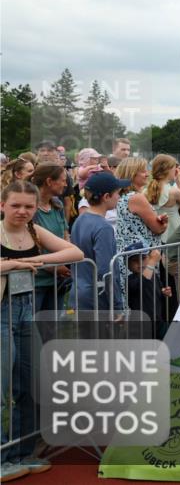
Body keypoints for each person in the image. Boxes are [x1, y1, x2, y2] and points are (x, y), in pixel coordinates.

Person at [1, 180, 83, 478]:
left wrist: (36, 259)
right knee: (2, 387)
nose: (22, 211)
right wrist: (9, 265)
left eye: (28, 206)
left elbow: (74, 252)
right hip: (1, 312)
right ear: (2, 205)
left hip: (27, 309)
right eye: (15, 205)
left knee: (30, 382)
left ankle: (22, 451)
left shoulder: (35, 231)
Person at [71, 172, 132, 313]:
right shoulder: (104, 227)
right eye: (117, 193)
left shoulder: (81, 219)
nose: (119, 197)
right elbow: (107, 271)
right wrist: (116, 306)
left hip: (80, 294)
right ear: (106, 197)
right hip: (98, 300)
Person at [114, 158, 168, 309]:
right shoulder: (136, 197)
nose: (147, 174)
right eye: (143, 171)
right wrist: (164, 223)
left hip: (131, 255)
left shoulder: (123, 197)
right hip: (142, 257)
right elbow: (157, 228)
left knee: (134, 300)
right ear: (132, 174)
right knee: (146, 300)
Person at [30, 163, 73, 312]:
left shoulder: (57, 206)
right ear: (49, 181)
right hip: (36, 282)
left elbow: (64, 235)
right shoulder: (29, 209)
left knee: (52, 330)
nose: (66, 184)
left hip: (58, 282)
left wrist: (66, 262)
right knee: (33, 331)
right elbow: (32, 247)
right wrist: (55, 267)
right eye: (63, 180)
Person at [124, 244, 173, 339]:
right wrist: (152, 262)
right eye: (135, 260)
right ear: (128, 265)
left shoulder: (153, 276)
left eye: (143, 258)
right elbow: (143, 283)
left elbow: (157, 290)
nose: (140, 263)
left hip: (159, 321)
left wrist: (164, 292)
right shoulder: (130, 280)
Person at [146, 154, 180, 255]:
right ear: (167, 170)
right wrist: (178, 181)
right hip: (175, 232)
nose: (176, 170)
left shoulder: (146, 191)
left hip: (155, 234)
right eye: (174, 167)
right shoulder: (173, 192)